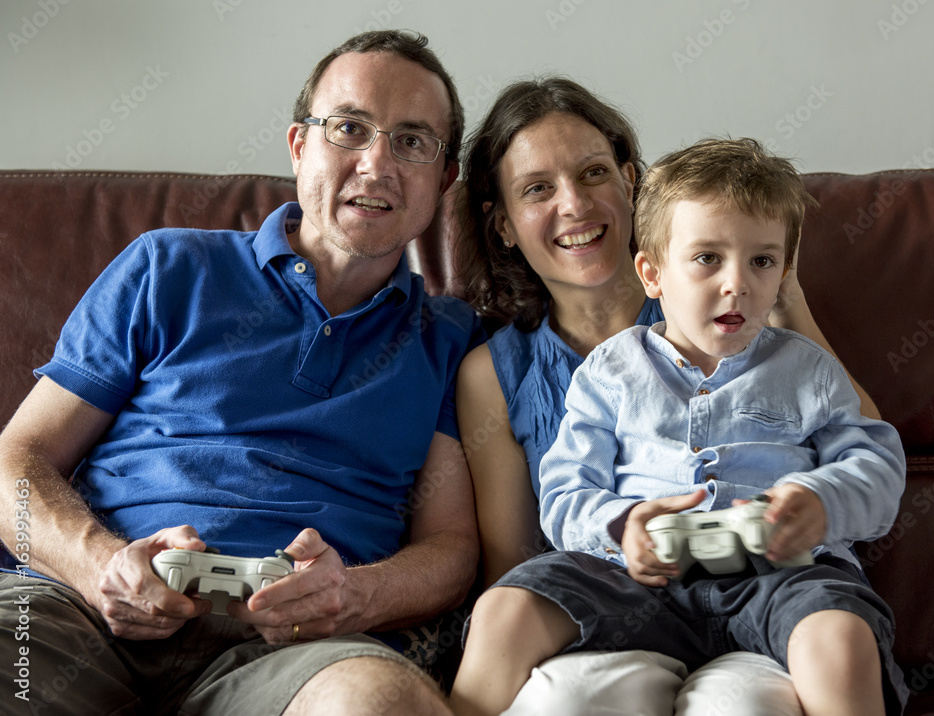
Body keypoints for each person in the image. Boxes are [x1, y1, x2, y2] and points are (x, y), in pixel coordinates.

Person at [0, 30, 483, 716]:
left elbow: (453, 547)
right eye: (349, 128)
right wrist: (98, 565)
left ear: (444, 179)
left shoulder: (451, 339)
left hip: (295, 652)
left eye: (412, 141)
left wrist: (357, 595)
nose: (377, 164)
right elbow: (15, 461)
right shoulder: (167, 266)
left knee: (381, 704)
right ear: (299, 145)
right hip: (77, 611)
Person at [453, 78, 883, 714]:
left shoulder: (744, 306)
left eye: (594, 172)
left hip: (768, 589)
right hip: (614, 600)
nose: (574, 204)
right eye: (538, 188)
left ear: (631, 182)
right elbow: (514, 560)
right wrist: (618, 531)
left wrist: (780, 298)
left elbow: (870, 448)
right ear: (505, 225)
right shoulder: (500, 372)